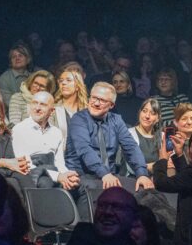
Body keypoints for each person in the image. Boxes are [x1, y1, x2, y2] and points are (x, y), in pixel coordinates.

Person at [65, 82, 154, 219]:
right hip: (83, 176)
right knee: (101, 191)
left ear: (111, 105)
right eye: (94, 98)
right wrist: (104, 173)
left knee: (144, 189)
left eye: (102, 100)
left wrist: (142, 173)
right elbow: (84, 149)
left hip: (110, 175)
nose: (96, 103)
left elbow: (131, 147)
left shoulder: (116, 120)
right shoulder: (79, 119)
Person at [12, 91, 80, 189]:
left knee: (79, 185)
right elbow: (26, 166)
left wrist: (67, 176)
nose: (37, 108)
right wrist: (58, 176)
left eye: (43, 105)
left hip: (53, 173)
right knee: (46, 183)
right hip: (32, 176)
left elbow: (59, 163)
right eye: (34, 103)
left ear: (52, 111)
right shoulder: (19, 129)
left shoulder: (56, 132)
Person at [58, 187, 142, 245]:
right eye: (102, 205)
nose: (107, 212)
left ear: (134, 217)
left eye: (117, 207)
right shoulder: (80, 241)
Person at [51, 69, 88, 143]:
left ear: (77, 86)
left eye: (68, 80)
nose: (63, 83)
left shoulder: (87, 111)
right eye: (61, 81)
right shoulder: (53, 109)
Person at [127, 98, 162, 176]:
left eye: (153, 113)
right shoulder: (129, 134)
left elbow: (169, 164)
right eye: (144, 111)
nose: (147, 116)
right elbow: (131, 166)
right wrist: (157, 166)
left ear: (158, 118)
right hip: (134, 179)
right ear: (140, 112)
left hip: (158, 179)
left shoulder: (162, 136)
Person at [0, 44, 33, 108]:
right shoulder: (4, 79)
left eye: (20, 55)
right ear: (11, 62)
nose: (17, 58)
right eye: (14, 57)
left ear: (28, 59)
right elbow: (9, 102)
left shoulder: (33, 77)